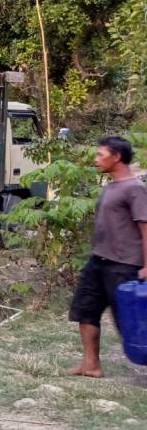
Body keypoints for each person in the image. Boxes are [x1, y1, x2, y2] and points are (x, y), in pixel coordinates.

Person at [69, 136, 147, 378]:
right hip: (99, 260)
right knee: (85, 310)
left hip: (124, 265)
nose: (96, 159)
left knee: (130, 321)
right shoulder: (111, 186)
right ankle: (91, 365)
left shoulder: (135, 189)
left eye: (101, 155)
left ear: (117, 157)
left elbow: (145, 228)